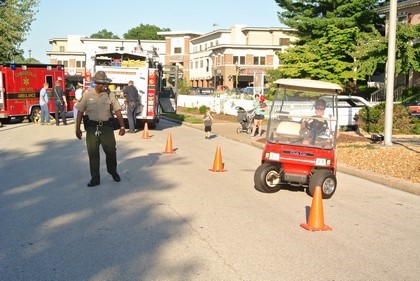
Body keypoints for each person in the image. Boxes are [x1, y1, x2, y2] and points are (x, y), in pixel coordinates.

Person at [75, 71, 126, 187]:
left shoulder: (110, 95)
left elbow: (117, 110)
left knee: (111, 152)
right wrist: (77, 129)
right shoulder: (87, 95)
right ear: (96, 83)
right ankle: (95, 178)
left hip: (107, 128)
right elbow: (80, 112)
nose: (105, 86)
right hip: (92, 129)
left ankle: (113, 172)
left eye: (105, 84)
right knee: (93, 154)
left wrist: (122, 126)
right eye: (102, 84)